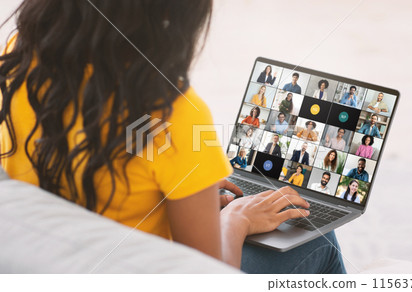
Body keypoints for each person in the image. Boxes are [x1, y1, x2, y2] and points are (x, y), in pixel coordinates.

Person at [0, 0, 345, 273]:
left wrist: (188, 189)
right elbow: (208, 279)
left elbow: (125, 151)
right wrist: (236, 220)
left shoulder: (17, 60)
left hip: (51, 262)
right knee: (318, 238)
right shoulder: (171, 111)